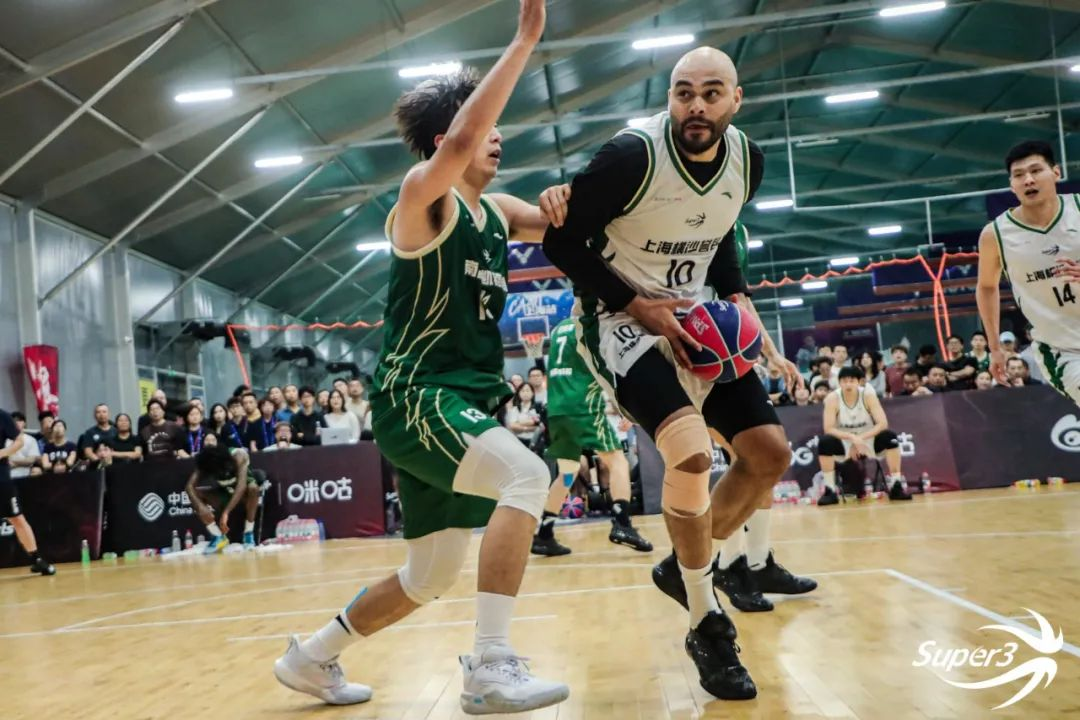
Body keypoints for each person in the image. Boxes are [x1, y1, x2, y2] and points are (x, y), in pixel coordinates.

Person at [275, 7, 570, 713]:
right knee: (529, 477)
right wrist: (525, 40)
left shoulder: (499, 211)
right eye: (485, 127)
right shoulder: (422, 199)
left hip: (460, 400)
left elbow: (570, 224)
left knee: (431, 574)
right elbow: (466, 135)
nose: (497, 136)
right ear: (447, 141)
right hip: (418, 396)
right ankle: (490, 665)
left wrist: (572, 198)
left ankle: (311, 657)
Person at [542, 45, 804, 701]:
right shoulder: (630, 157)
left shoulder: (748, 160)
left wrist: (739, 299)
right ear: (669, 99)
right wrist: (638, 305)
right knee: (689, 453)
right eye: (684, 92)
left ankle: (685, 562)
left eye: (712, 93)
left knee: (769, 454)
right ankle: (706, 621)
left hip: (698, 319)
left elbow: (721, 234)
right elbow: (560, 241)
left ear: (735, 100)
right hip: (620, 322)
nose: (696, 106)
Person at [531, 318, 652, 556]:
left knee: (568, 472)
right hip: (583, 406)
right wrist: (627, 409)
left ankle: (544, 533)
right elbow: (607, 371)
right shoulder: (592, 324)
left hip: (557, 409)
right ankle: (623, 524)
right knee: (617, 461)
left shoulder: (559, 328)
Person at [976, 140, 1080, 406]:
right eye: (1019, 175)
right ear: (1012, 185)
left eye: (1036, 171)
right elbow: (986, 287)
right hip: (1063, 350)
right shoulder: (995, 234)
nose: (1028, 180)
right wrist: (994, 348)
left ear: (1056, 172)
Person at [817, 367, 911, 505]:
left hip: (868, 439)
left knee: (890, 437)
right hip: (845, 441)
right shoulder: (832, 398)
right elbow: (828, 428)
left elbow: (882, 423)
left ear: (859, 382)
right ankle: (829, 490)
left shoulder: (868, 396)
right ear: (839, 383)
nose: (848, 384)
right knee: (825, 442)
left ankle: (896, 486)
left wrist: (860, 439)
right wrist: (852, 438)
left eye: (852, 381)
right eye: (844, 381)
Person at [0, 408, 55, 575]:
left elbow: (19, 441)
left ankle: (36, 559)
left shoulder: (2, 416)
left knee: (16, 517)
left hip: (1, 478)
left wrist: (3, 452)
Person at [184, 438, 260, 553]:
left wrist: (226, 512)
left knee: (253, 488)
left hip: (242, 494)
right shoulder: (206, 462)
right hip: (224, 493)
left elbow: (241, 486)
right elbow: (189, 486)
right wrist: (201, 507)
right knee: (196, 494)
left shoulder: (239, 456)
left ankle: (248, 533)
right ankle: (217, 536)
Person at [504, 383, 542, 447]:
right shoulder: (515, 409)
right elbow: (513, 426)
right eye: (522, 391)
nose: (525, 393)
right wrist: (529, 427)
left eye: (527, 390)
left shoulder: (538, 408)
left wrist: (519, 423)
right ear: (519, 393)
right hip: (519, 441)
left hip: (535, 441)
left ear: (532, 393)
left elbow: (537, 423)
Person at [7, 412, 41, 478]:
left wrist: (14, 462)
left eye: (19, 421)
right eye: (14, 421)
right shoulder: (5, 440)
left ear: (24, 423)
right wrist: (23, 461)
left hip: (26, 475)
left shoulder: (31, 440)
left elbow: (31, 460)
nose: (16, 423)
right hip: (7, 476)